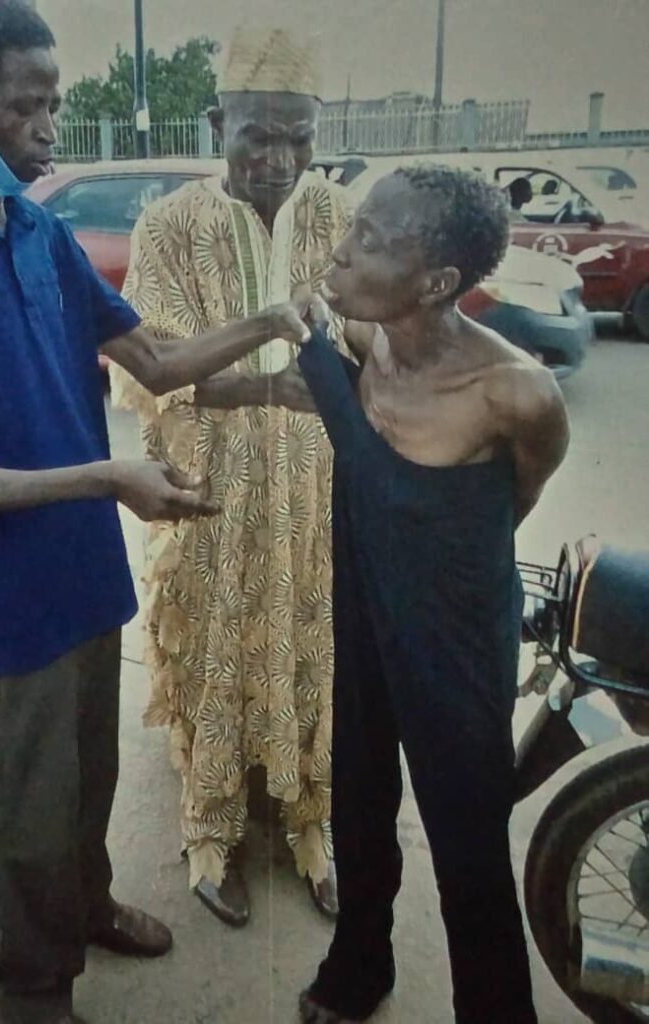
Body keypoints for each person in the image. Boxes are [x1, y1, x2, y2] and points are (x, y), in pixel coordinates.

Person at [0, 3, 308, 1022]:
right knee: (27, 804)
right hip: (3, 588)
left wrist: (269, 326)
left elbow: (153, 360)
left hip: (82, 568)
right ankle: (25, 989)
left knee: (89, 774)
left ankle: (86, 904)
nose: (48, 128)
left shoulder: (35, 229)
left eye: (55, 104)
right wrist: (108, 480)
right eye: (26, 107)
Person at [296, 165, 569, 1023]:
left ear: (437, 282)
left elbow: (516, 496)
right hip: (367, 608)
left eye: (372, 241)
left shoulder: (513, 390)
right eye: (354, 228)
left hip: (454, 635)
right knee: (360, 797)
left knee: (469, 845)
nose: (340, 254)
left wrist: (437, 560)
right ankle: (360, 963)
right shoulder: (365, 339)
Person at [109, 27, 353, 926]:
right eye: (257, 132)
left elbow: (374, 342)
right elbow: (150, 362)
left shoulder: (339, 214)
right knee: (214, 648)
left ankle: (310, 820)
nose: (279, 157)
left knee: (313, 644)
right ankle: (211, 829)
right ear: (219, 123)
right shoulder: (172, 223)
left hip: (315, 488)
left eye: (298, 133)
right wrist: (268, 385)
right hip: (208, 482)